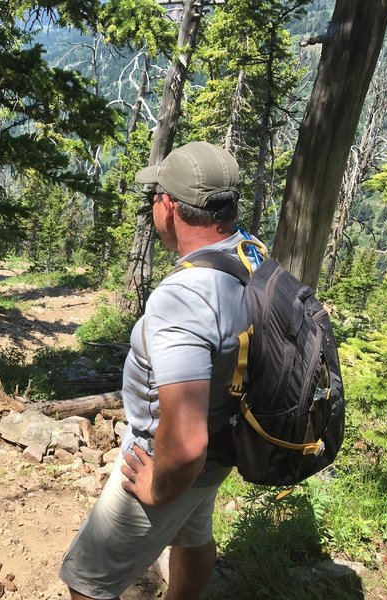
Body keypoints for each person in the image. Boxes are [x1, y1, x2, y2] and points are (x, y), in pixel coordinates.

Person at [59, 141, 263, 600]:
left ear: (168, 207)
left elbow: (186, 445)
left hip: (168, 455)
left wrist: (159, 485)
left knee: (87, 581)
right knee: (193, 536)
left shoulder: (185, 296)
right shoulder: (250, 254)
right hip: (226, 438)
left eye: (155, 197)